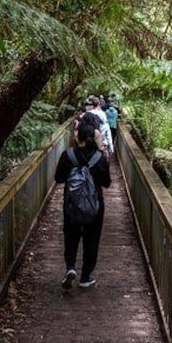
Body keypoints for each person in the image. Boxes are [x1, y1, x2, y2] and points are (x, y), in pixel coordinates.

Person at [55, 121, 111, 289]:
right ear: (93, 137)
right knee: (91, 239)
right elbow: (107, 183)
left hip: (71, 205)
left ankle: (70, 267)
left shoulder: (68, 155)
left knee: (70, 237)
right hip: (95, 207)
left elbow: (59, 178)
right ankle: (85, 276)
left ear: (77, 136)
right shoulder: (99, 158)